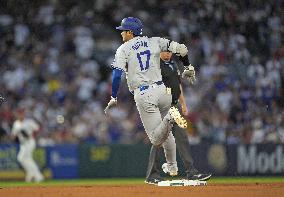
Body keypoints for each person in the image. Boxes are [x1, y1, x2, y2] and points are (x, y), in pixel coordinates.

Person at [105, 17, 196, 176]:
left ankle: (170, 117)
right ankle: (172, 166)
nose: (121, 34)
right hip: (163, 91)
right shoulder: (155, 41)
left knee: (156, 139)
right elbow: (182, 49)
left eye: (123, 31)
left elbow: (117, 74)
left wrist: (113, 96)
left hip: (144, 94)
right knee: (166, 133)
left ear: (130, 32)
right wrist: (188, 65)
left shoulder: (123, 49)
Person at [145, 51, 212, 185]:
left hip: (174, 106)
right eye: (166, 50)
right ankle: (152, 174)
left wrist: (183, 104)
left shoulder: (173, 64)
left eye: (170, 51)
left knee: (182, 137)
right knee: (159, 140)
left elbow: (178, 86)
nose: (169, 53)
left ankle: (191, 172)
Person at [11, 108, 44, 182]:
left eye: (22, 113)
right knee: (21, 158)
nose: (21, 115)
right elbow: (13, 135)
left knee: (25, 158)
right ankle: (31, 173)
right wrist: (16, 136)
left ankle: (38, 176)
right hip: (22, 143)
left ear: (24, 114)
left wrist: (31, 135)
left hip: (30, 141)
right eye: (19, 113)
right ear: (17, 115)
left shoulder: (29, 122)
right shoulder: (16, 123)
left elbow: (38, 129)